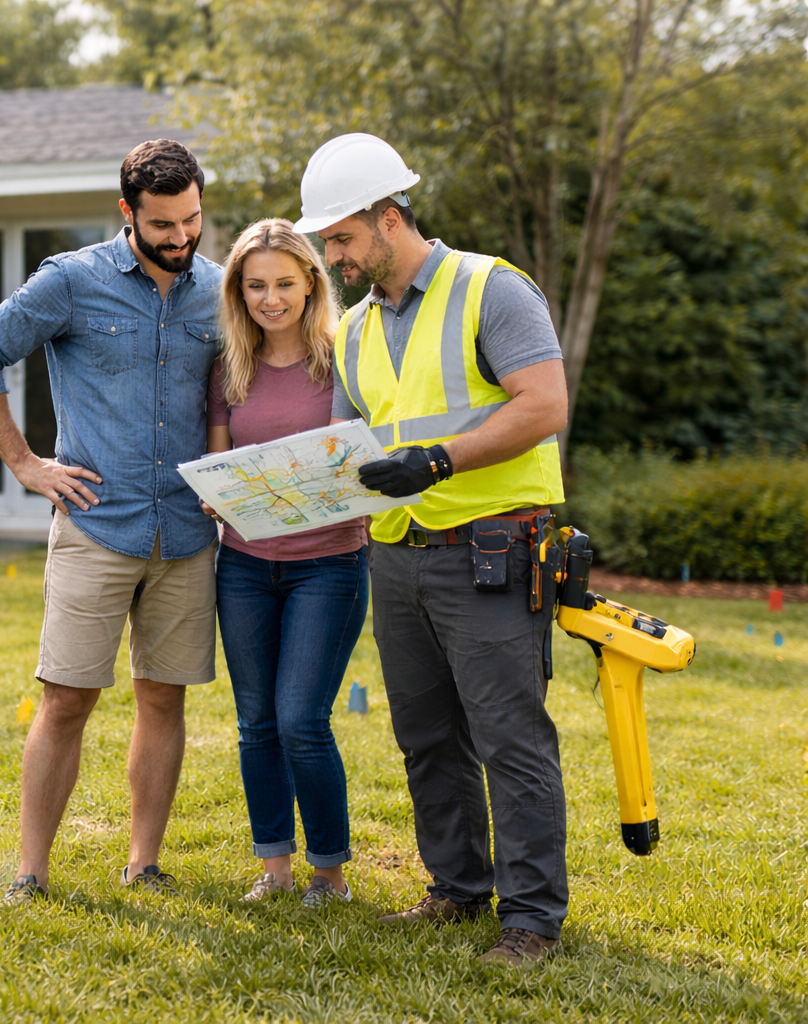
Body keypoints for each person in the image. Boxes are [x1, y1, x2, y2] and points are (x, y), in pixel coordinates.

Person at [296, 133, 570, 966]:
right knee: (425, 734)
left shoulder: (492, 288)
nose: (332, 257)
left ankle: (529, 919)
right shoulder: (354, 328)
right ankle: (456, 887)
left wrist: (441, 460)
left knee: (507, 734)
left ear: (389, 217)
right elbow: (356, 443)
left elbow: (546, 403)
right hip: (398, 553)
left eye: (341, 238)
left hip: (493, 545)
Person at [0, 140, 224, 905]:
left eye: (193, 220)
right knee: (66, 697)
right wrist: (26, 464)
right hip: (97, 526)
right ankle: (31, 872)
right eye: (164, 224)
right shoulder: (72, 281)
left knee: (163, 697)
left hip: (190, 536)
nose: (181, 239)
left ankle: (144, 860)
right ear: (127, 212)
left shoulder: (220, 290)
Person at [202, 220, 369, 907]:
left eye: (284, 284)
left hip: (328, 566)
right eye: (256, 285)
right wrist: (218, 495)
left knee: (302, 717)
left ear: (311, 285)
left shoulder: (343, 361)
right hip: (242, 566)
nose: (270, 299)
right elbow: (219, 459)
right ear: (239, 292)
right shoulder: (228, 369)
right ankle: (273, 868)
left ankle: (328, 872)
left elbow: (357, 462)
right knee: (257, 721)